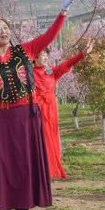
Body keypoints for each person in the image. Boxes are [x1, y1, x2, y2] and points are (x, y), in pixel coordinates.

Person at [0, 0, 83, 210]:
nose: (3, 31)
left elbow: (48, 37)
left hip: (27, 115)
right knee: (4, 163)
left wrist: (63, 11)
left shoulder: (24, 51)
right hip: (3, 116)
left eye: (5, 27)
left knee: (25, 163)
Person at [32, 40, 93, 179]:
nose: (46, 57)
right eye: (43, 55)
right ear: (34, 58)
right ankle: (37, 168)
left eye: (47, 55)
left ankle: (49, 168)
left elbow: (65, 65)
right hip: (36, 108)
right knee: (38, 137)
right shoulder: (28, 73)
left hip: (51, 108)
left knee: (50, 136)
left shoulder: (51, 71)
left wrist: (82, 54)